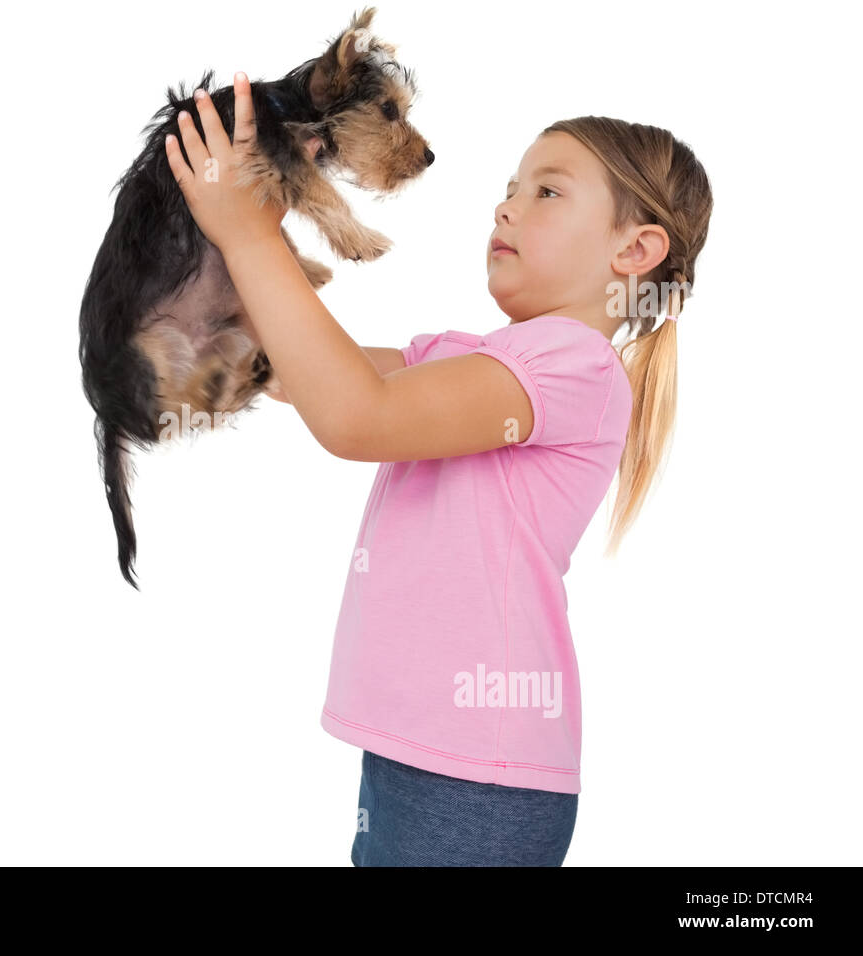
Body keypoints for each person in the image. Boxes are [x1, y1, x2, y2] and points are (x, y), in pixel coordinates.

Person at [165, 73, 713, 866]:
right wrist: (232, 231)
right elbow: (293, 370)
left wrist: (250, 238)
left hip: (477, 781)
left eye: (547, 192)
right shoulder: (470, 360)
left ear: (634, 250)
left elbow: (359, 418)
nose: (506, 207)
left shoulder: (573, 366)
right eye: (509, 188)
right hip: (419, 756)